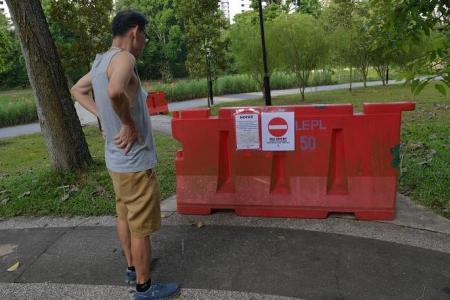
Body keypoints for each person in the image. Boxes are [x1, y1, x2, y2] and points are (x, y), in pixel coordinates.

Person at [70, 10, 180, 300]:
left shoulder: (100, 61)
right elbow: (115, 91)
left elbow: (78, 90)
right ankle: (144, 286)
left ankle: (132, 268)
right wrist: (128, 124)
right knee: (141, 227)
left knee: (124, 215)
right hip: (135, 162)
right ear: (134, 32)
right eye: (143, 37)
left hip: (115, 162)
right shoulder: (125, 58)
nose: (143, 43)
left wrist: (105, 120)